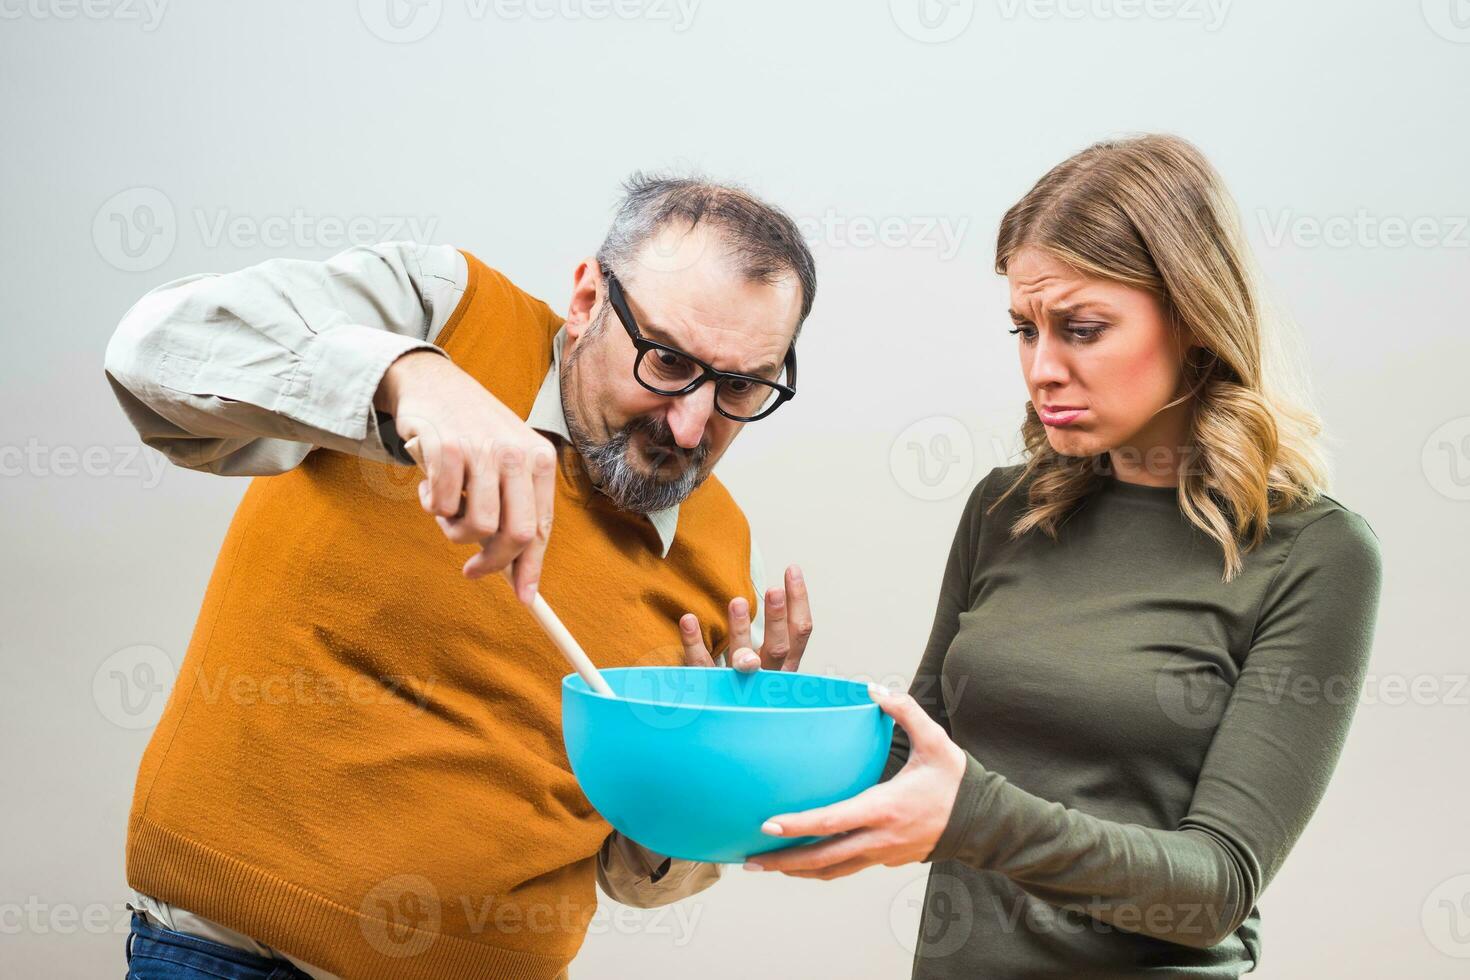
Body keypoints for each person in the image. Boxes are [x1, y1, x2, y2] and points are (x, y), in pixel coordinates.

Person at [103, 175, 817, 980]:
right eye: (668, 361)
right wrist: (412, 378)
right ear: (586, 301)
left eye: (740, 386)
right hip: (227, 955)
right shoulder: (445, 309)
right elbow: (150, 349)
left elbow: (634, 873)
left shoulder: (718, 546)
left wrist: (700, 779)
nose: (690, 423)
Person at [747, 135, 1385, 979]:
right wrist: (774, 721)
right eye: (1024, 328)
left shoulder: (1314, 553)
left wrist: (973, 815)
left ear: (1194, 319)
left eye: (1082, 329)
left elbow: (1216, 887)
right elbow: (918, 767)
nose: (1042, 369)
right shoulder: (1004, 511)